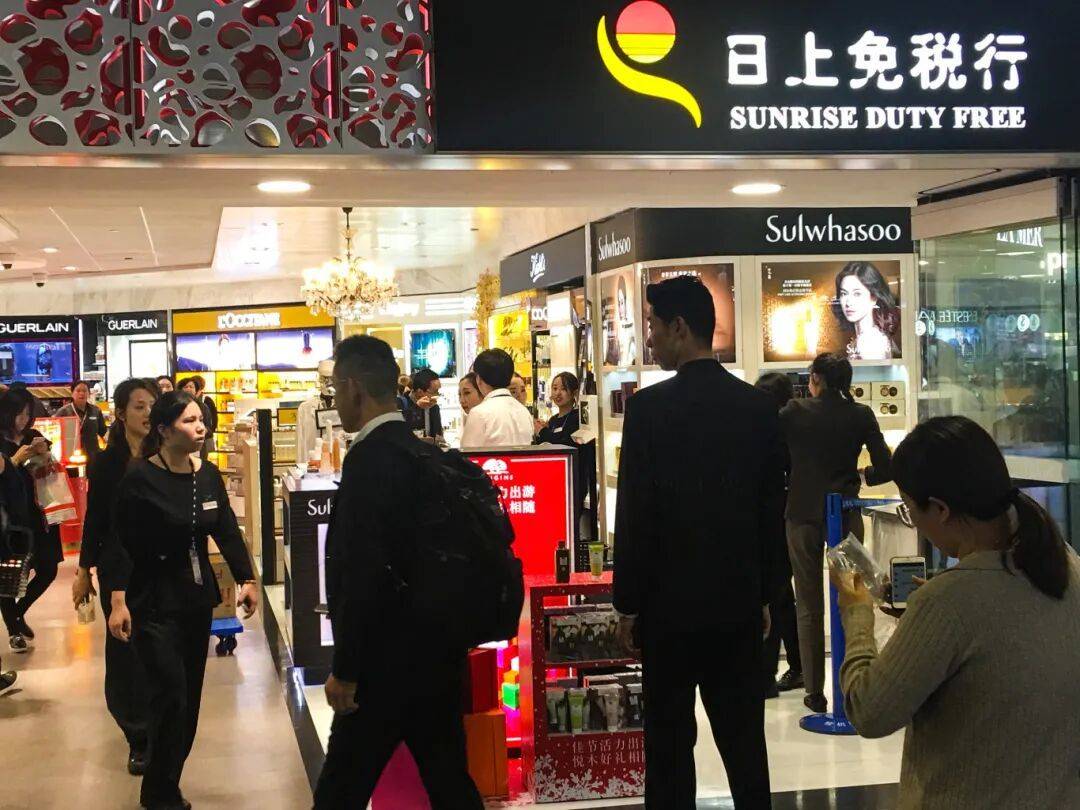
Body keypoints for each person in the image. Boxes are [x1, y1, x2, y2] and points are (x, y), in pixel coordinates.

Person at [832, 416, 1080, 810]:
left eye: (910, 509)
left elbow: (869, 712)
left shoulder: (949, 602)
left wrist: (858, 617)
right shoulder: (1065, 562)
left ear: (940, 509)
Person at [613, 276, 786, 809]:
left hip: (667, 610)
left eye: (653, 327)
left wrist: (627, 604)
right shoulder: (757, 408)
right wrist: (767, 596)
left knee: (668, 746)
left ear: (680, 328)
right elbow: (770, 513)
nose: (649, 338)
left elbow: (635, 515)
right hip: (736, 605)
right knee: (744, 743)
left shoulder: (648, 410)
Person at [314, 335, 483, 809]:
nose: (335, 400)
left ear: (353, 388)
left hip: (381, 667)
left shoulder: (368, 461)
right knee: (450, 785)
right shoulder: (423, 454)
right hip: (437, 656)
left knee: (339, 793)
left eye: (336, 389)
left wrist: (346, 669)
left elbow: (363, 571)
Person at [100, 391, 258, 810]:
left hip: (194, 601)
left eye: (200, 419)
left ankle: (164, 784)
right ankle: (160, 791)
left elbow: (225, 529)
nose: (200, 427)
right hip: (151, 603)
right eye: (189, 421)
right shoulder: (139, 479)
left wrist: (246, 578)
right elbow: (119, 543)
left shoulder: (207, 476)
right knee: (169, 695)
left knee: (188, 702)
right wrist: (117, 599)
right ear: (164, 430)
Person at [780, 353, 892, 714]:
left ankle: (814, 690)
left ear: (815, 378)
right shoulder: (861, 414)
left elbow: (774, 454)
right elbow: (886, 465)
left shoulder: (794, 411)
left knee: (808, 603)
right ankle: (853, 681)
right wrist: (863, 477)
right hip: (845, 513)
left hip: (801, 513)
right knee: (852, 596)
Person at [72, 378, 157, 775]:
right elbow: (96, 520)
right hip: (118, 568)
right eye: (139, 406)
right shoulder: (107, 463)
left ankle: (160, 726)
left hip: (160, 566)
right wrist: (83, 570)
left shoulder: (165, 454)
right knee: (125, 650)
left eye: (152, 405)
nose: (147, 413)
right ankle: (137, 735)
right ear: (121, 413)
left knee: (159, 646)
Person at [0, 388, 62, 652]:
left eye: (27, 414)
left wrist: (44, 454)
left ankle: (18, 613)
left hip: (40, 514)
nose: (23, 419)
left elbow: (49, 467)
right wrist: (15, 460)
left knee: (48, 569)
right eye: (19, 414)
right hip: (10, 519)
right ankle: (14, 630)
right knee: (9, 575)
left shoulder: (32, 436)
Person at [754, 373, 802, 698]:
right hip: (789, 519)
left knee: (774, 596)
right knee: (782, 597)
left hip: (775, 522)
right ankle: (797, 666)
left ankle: (769, 673)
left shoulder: (769, 432)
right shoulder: (793, 431)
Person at [460, 350, 534, 450]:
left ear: (479, 379)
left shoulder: (479, 413)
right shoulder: (524, 411)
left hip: (492, 461)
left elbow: (468, 453)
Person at [831, 261, 900, 361]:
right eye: (844, 294)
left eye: (857, 294)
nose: (848, 302)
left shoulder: (869, 341)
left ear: (874, 297)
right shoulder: (868, 336)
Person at [55, 379, 107, 463]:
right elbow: (55, 433)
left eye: (85, 391)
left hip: (92, 455)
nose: (82, 393)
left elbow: (103, 431)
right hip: (71, 456)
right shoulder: (63, 412)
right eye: (78, 391)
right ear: (72, 393)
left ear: (89, 394)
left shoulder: (96, 411)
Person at [179, 376, 217, 459]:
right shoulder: (176, 406)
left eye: (191, 387)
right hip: (180, 445)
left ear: (196, 390)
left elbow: (210, 428)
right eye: (185, 387)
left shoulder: (202, 406)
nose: (188, 389)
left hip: (199, 447)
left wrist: (204, 430)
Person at [402, 367, 444, 441]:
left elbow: (438, 435)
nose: (437, 395)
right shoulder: (403, 402)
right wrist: (417, 407)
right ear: (420, 392)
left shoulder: (434, 407)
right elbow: (399, 428)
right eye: (435, 392)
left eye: (438, 391)